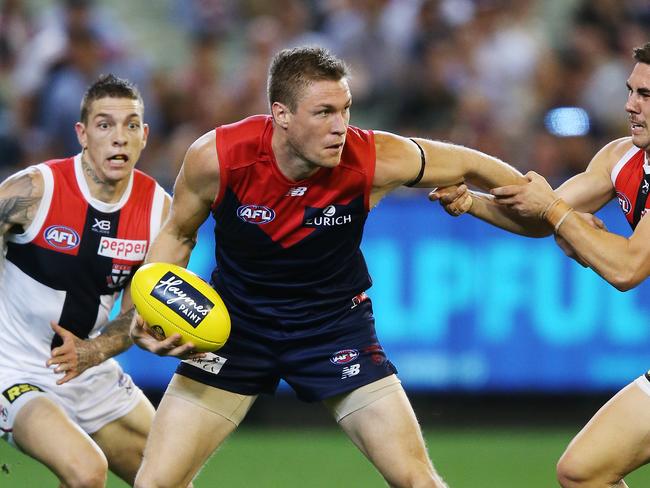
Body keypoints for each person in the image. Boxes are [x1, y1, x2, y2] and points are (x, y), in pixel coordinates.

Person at [130, 46, 528, 488]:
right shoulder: (218, 157)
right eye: (323, 112)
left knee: (419, 482)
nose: (340, 127)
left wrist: (547, 203)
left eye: (345, 110)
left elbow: (472, 164)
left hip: (334, 329)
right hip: (234, 331)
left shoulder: (374, 156)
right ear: (281, 114)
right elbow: (178, 234)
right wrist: (149, 307)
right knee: (154, 485)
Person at [432, 42, 650, 488]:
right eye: (631, 91)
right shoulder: (620, 156)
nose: (630, 105)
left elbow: (627, 268)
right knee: (581, 471)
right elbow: (539, 216)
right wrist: (472, 200)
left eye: (646, 95)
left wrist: (561, 218)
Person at [0, 74, 171, 487]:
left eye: (131, 125)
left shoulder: (158, 212)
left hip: (87, 367)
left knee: (170, 474)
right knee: (87, 470)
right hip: (12, 365)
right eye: (104, 124)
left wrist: (94, 351)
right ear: (82, 133)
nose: (119, 138)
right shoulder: (35, 189)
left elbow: (134, 316)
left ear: (144, 136)